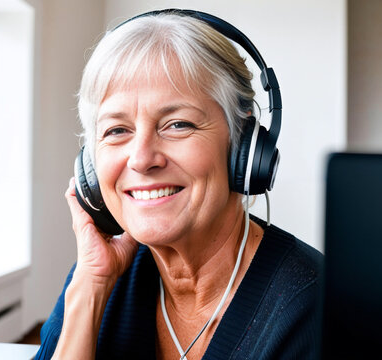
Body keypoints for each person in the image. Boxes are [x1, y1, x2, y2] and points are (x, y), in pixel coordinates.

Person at [35, 9, 323, 360]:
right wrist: (91, 285)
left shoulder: (312, 307)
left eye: (178, 124)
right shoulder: (98, 277)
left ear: (242, 145)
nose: (141, 159)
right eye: (117, 130)